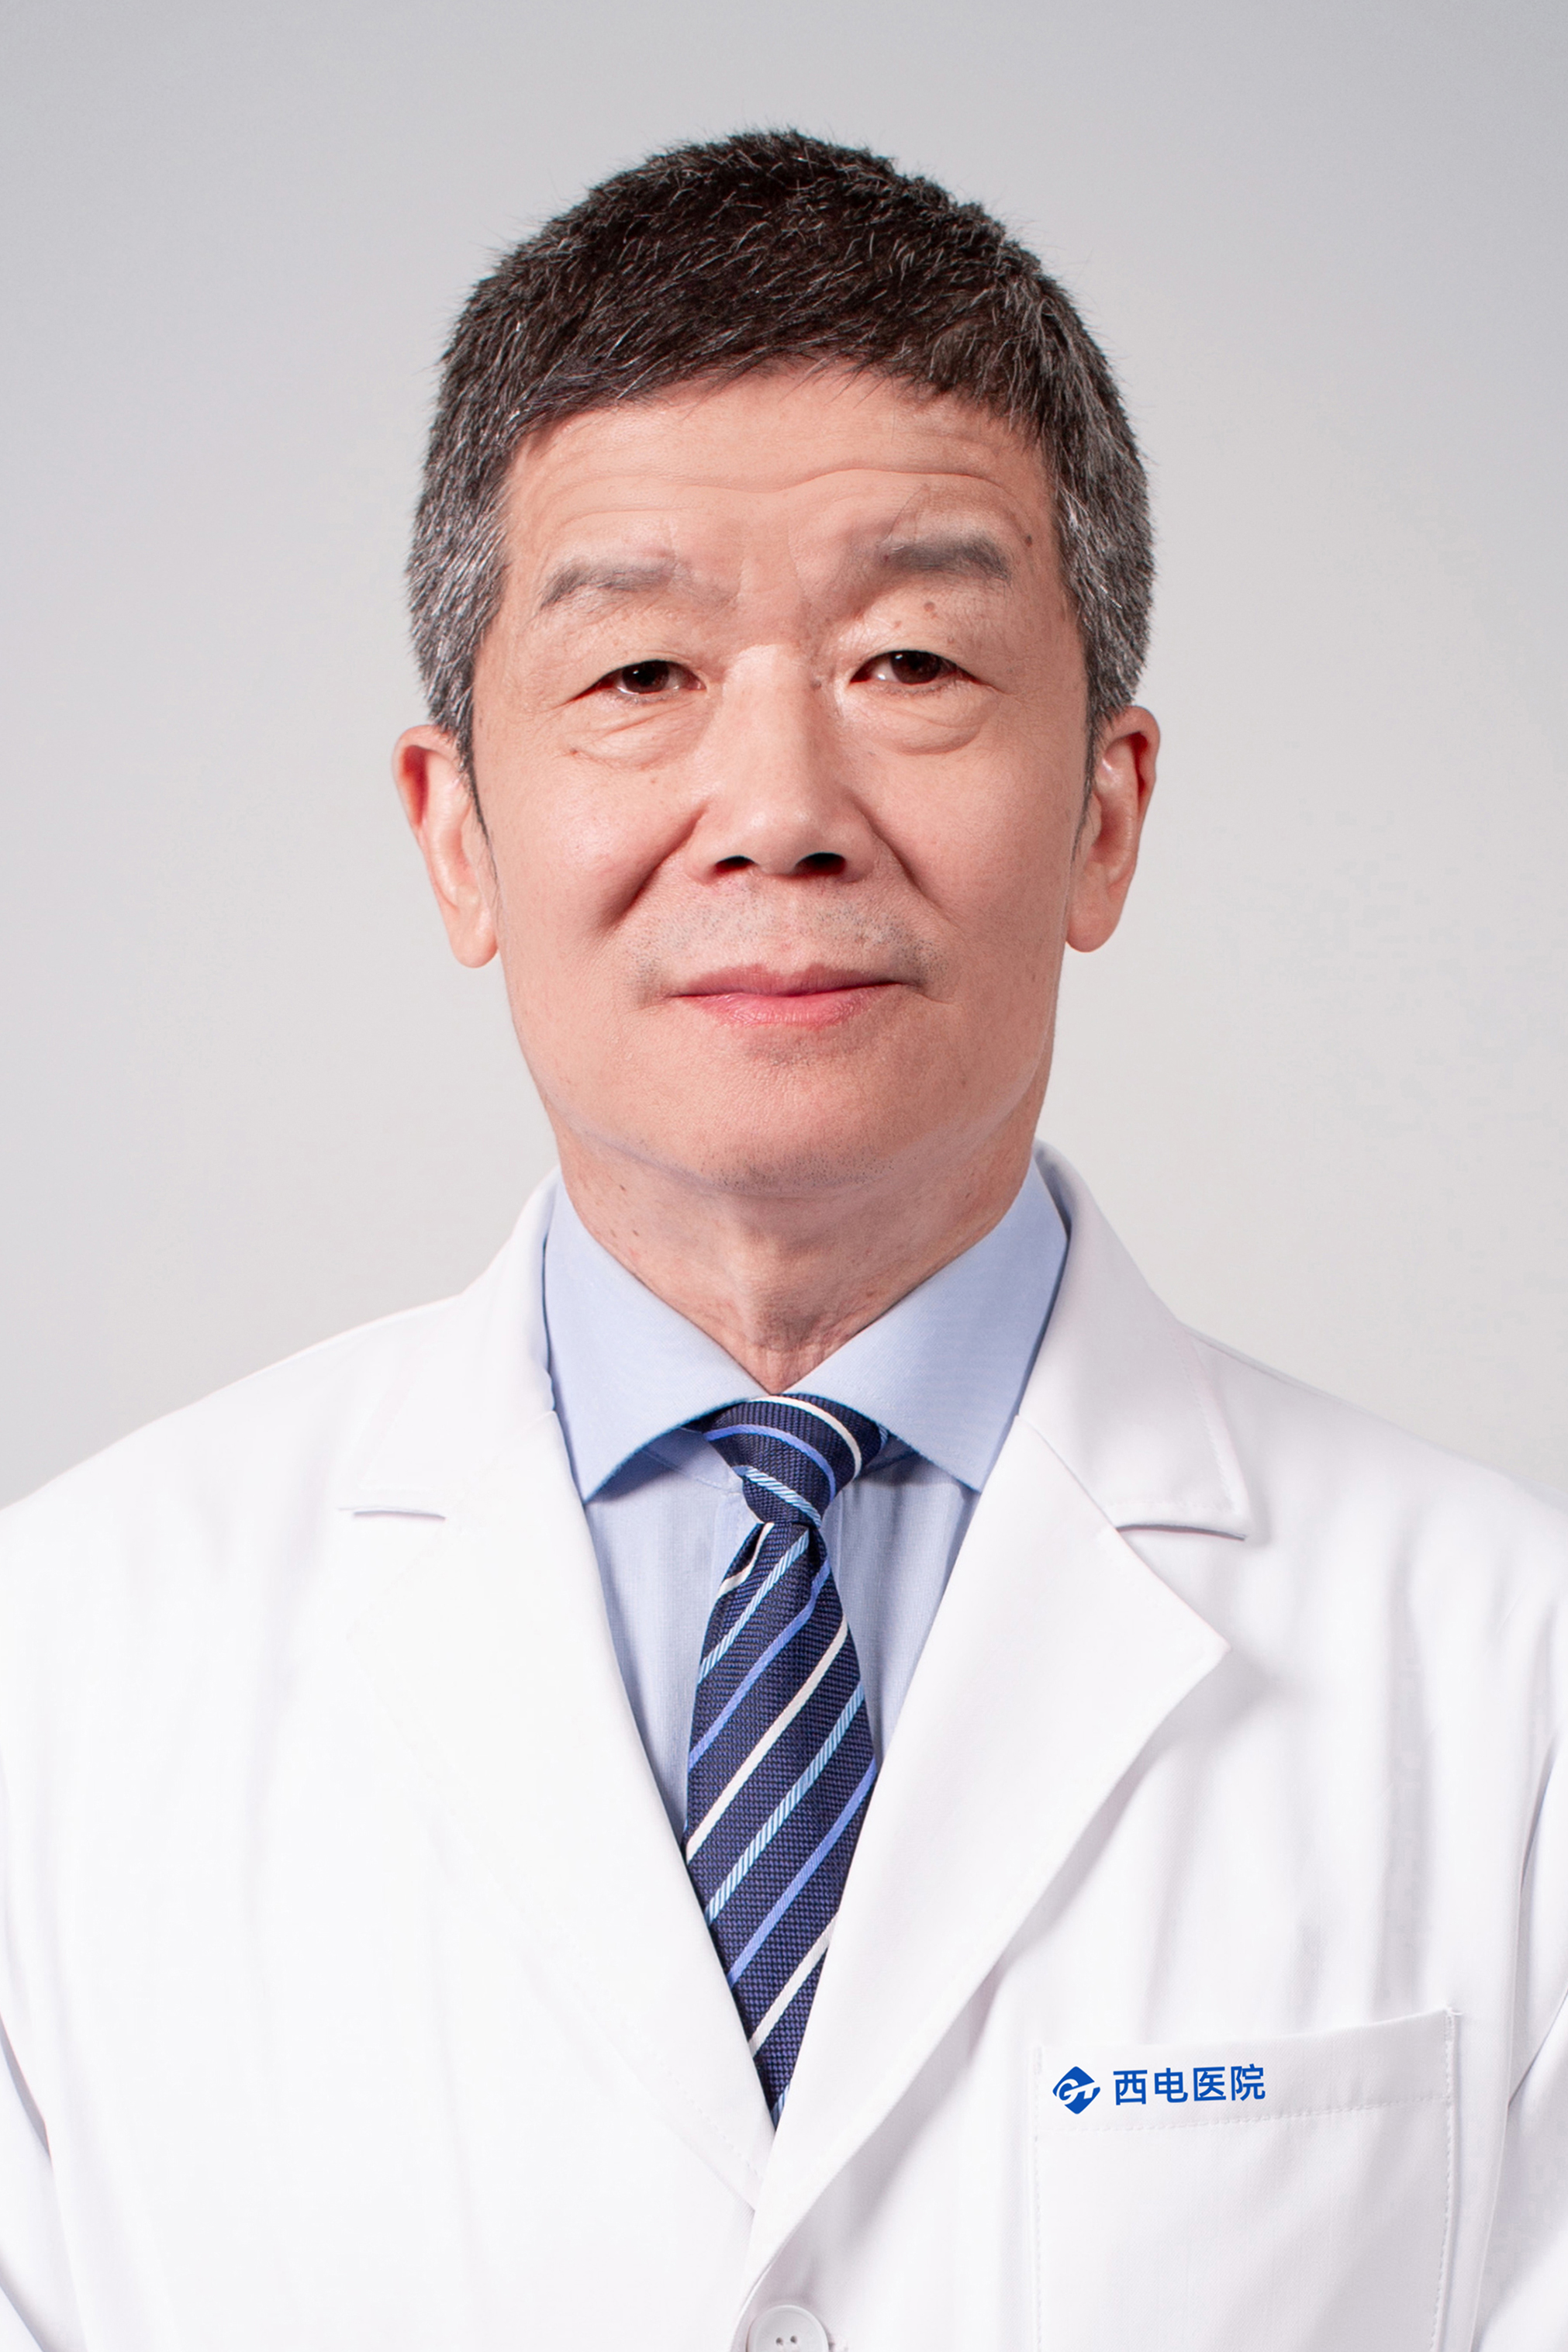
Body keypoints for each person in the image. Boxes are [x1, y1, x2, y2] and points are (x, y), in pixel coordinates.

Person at [0, 129, 1563, 2352]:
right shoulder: (61, 1678)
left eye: (911, 660)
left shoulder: (1510, 1687)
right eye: (639, 675)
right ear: (456, 837)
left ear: (1107, 814)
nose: (780, 813)